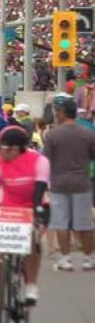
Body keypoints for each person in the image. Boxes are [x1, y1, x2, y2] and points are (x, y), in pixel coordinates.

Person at [0, 126, 49, 323]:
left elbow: (40, 192)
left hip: (35, 205)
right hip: (7, 208)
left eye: (3, 147)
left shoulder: (40, 161)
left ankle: (31, 286)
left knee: (31, 240)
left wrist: (36, 218)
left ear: (16, 149)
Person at [43, 94, 95, 271]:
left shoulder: (52, 135)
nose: (56, 114)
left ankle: (65, 259)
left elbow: (46, 161)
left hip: (59, 183)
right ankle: (89, 259)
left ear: (63, 113)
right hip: (82, 183)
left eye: (57, 111)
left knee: (61, 222)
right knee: (85, 223)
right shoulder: (87, 134)